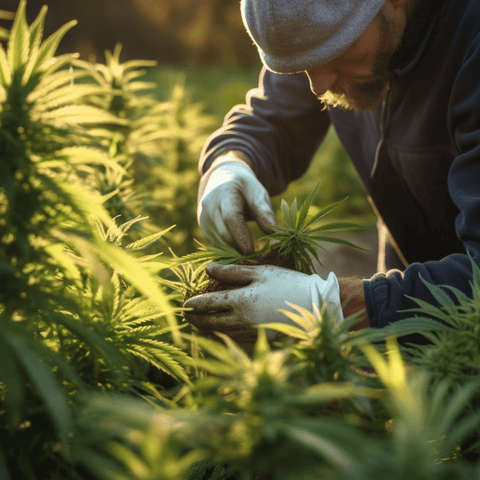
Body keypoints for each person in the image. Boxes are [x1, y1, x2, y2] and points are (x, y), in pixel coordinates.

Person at [183, 0, 480, 342]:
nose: (317, 87)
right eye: (301, 66)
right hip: (403, 301)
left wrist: (335, 305)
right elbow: (274, 119)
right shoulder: (334, 43)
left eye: (332, 52)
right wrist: (230, 163)